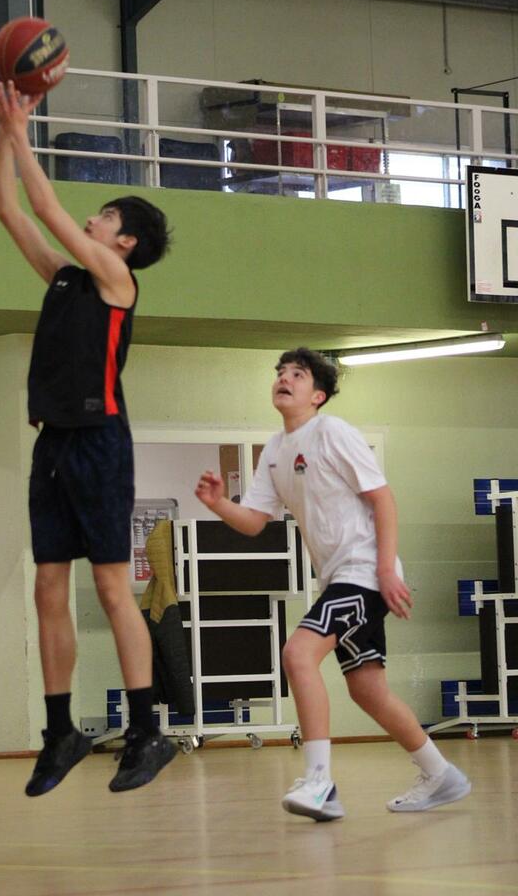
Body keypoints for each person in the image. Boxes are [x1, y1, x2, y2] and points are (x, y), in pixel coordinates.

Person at [0, 79, 177, 796]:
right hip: (55, 444)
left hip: (101, 440)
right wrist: (5, 134)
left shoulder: (116, 279)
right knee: (48, 584)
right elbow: (11, 211)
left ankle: (146, 729)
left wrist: (21, 127)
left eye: (104, 215)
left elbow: (45, 206)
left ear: (124, 242)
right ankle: (60, 731)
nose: (92, 220)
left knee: (108, 584)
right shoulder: (67, 279)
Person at [195, 347, 471, 821]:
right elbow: (256, 521)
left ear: (318, 395)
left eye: (297, 374)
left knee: (298, 654)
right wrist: (219, 504)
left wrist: (386, 570)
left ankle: (320, 781)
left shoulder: (332, 432)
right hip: (340, 580)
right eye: (280, 372)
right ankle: (440, 773)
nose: (284, 378)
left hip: (364, 574)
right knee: (367, 690)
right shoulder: (275, 451)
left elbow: (383, 499)